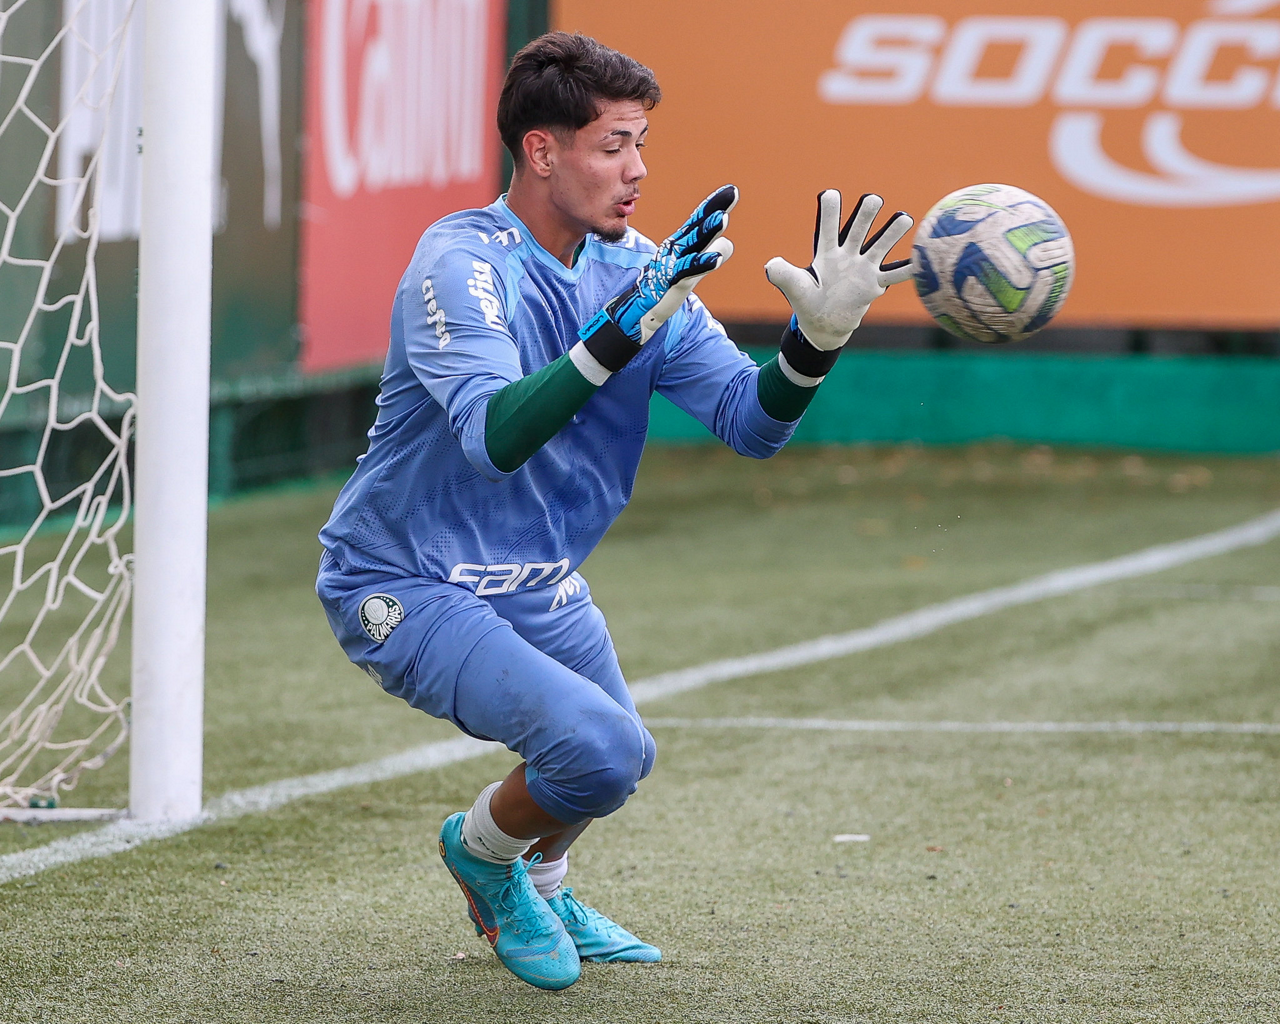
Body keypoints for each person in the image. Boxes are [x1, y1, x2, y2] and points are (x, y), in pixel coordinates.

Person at [315, 31, 915, 991]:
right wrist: (622, 325)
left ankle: (546, 885)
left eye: (642, 145)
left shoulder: (641, 271)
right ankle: (483, 856)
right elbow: (493, 437)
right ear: (542, 151)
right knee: (594, 752)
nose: (637, 170)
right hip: (405, 578)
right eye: (613, 145)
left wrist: (816, 341)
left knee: (621, 759)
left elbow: (750, 423)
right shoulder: (462, 263)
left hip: (535, 582)